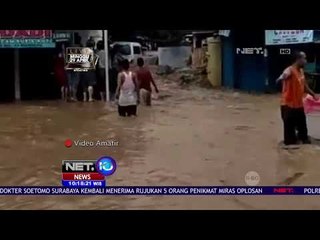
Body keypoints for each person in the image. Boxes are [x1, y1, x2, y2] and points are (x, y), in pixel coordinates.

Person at [276, 51, 318, 146]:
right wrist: (281, 78)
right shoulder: (290, 70)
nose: (306, 61)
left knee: (303, 129)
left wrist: (313, 94)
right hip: (288, 105)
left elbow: (304, 86)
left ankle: (304, 142)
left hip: (298, 105)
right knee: (290, 136)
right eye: (304, 58)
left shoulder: (301, 71)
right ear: (298, 60)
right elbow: (285, 74)